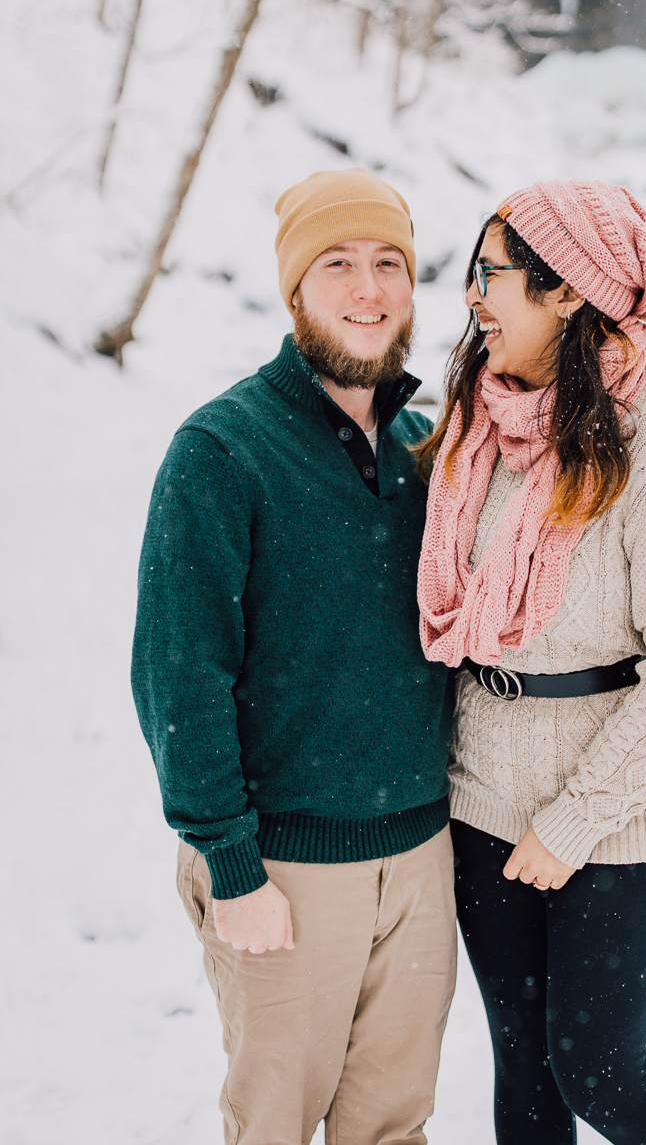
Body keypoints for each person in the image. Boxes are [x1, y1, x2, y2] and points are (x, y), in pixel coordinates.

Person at [416, 180, 646, 1145]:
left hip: (617, 819)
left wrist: (572, 824)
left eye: (492, 276)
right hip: (482, 798)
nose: (474, 298)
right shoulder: (476, 438)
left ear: (565, 292)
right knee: (523, 1070)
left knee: (600, 1073)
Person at [132, 168, 457, 1145]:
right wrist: (232, 865)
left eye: (388, 262)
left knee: (394, 1124)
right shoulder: (224, 451)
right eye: (339, 263)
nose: (369, 288)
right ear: (295, 289)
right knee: (274, 1123)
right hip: (282, 865)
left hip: (420, 857)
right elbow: (179, 674)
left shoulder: (428, 450)